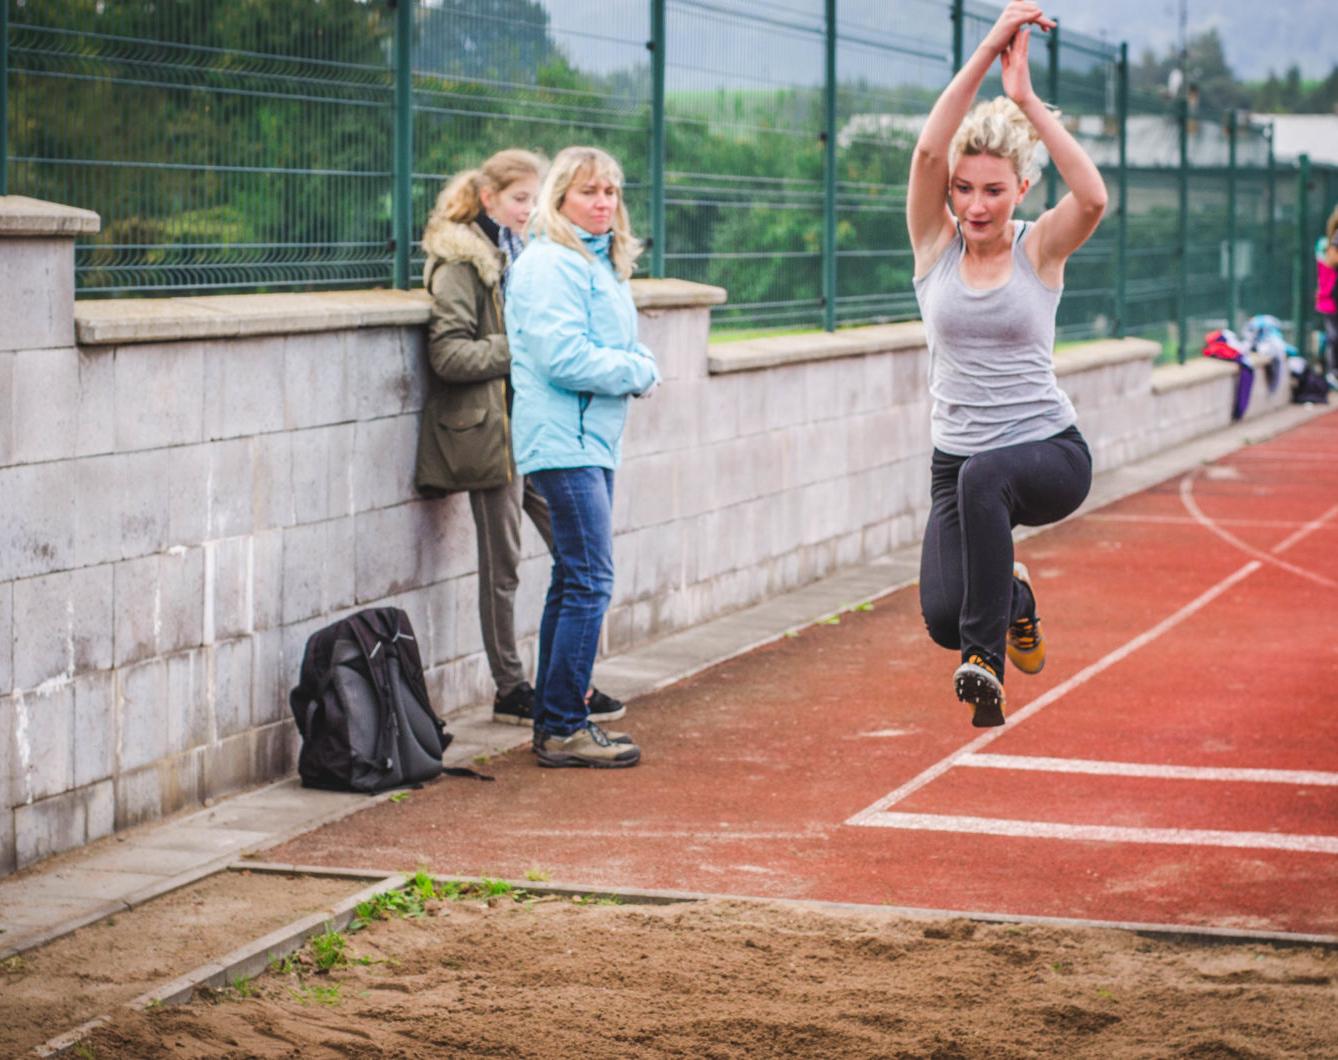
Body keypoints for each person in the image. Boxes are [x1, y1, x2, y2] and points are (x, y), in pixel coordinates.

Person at [906, 0, 1108, 726]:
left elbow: (1092, 196)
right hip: (954, 463)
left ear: (1021, 188)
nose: (976, 206)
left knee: (985, 475)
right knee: (940, 615)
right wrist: (990, 45)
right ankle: (1013, 601)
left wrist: (1026, 100)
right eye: (964, 190)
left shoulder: (1039, 248)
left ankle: (985, 664)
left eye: (993, 190)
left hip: (1047, 454)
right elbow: (929, 153)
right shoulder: (936, 249)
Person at [415, 149, 626, 730]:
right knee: (504, 565)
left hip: (537, 427)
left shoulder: (533, 254)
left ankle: (566, 685)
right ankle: (513, 687)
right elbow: (448, 353)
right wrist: (525, 350)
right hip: (490, 433)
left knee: (578, 559)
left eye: (536, 198)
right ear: (488, 199)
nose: (530, 209)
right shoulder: (462, 262)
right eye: (519, 199)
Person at [505, 146, 660, 768]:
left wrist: (632, 367)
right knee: (592, 579)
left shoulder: (598, 264)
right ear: (560, 199)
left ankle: (556, 718)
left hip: (590, 439)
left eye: (610, 192)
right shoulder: (549, 265)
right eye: (587, 192)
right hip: (561, 440)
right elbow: (561, 357)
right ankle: (565, 724)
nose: (602, 203)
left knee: (573, 578)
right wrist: (639, 370)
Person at [1314, 205, 1338, 389]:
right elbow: (1330, 260)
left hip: (1330, 298)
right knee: (1333, 336)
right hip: (1330, 299)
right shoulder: (1328, 243)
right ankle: (1331, 372)